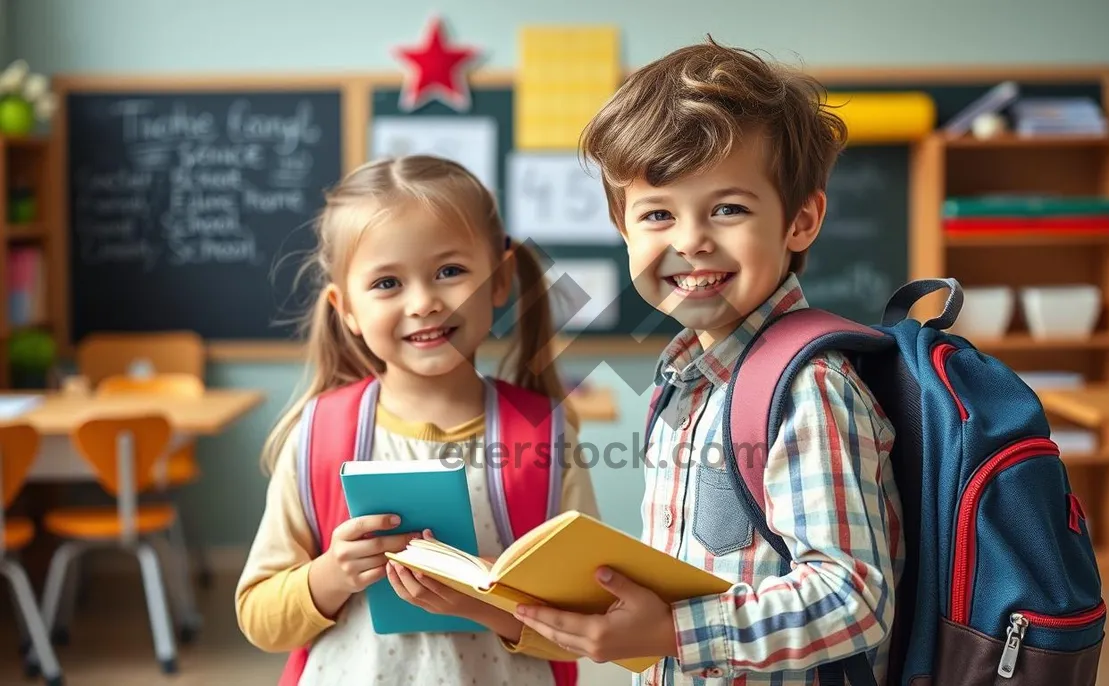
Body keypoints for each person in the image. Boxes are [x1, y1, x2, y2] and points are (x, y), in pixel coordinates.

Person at [512, 38, 905, 684]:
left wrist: (672, 629)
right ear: (625, 231)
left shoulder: (809, 388)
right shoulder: (684, 383)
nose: (690, 240)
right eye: (658, 214)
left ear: (800, 221)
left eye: (727, 209)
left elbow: (852, 598)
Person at [235, 155, 599, 686]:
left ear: (498, 282)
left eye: (449, 272)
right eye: (387, 283)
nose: (425, 302)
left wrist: (480, 603)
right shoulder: (318, 435)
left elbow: (586, 625)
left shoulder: (548, 438)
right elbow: (259, 618)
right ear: (347, 310)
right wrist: (332, 574)